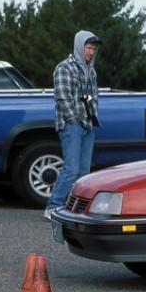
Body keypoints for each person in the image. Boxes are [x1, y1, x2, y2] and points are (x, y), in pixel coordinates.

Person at [44, 30, 101, 220]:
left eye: (93, 48)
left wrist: (92, 116)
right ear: (79, 46)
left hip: (88, 123)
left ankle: (74, 208)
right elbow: (62, 96)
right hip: (72, 125)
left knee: (84, 172)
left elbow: (94, 95)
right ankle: (53, 206)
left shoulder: (90, 71)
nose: (91, 52)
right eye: (88, 47)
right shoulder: (64, 68)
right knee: (71, 169)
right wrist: (73, 119)